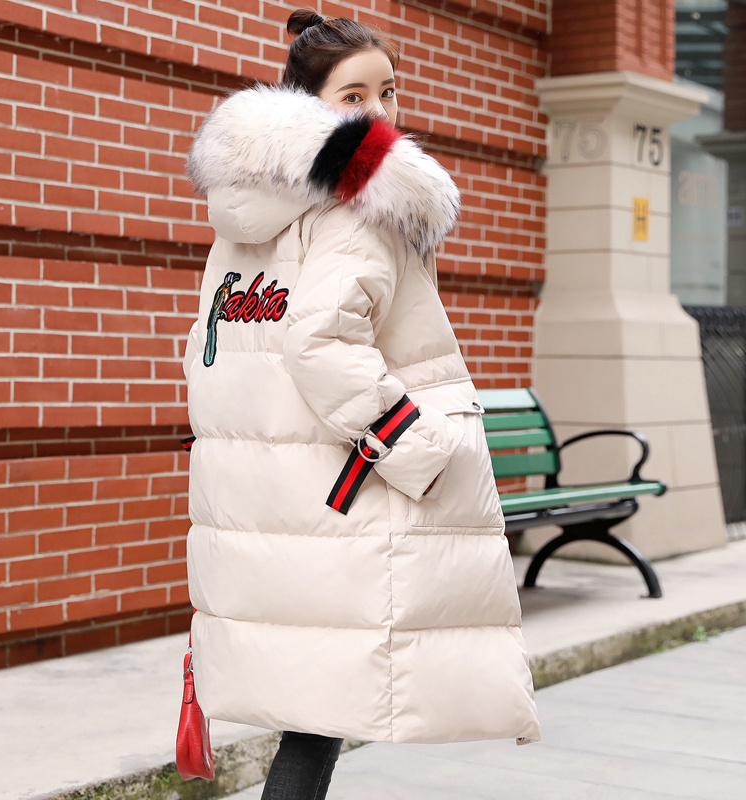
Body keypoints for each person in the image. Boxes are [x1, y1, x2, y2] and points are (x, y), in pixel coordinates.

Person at [183, 8, 540, 799]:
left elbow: (222, 353)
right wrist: (417, 449)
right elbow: (319, 346)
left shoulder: (248, 214)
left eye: (388, 91)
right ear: (307, 104)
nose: (378, 112)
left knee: (316, 706)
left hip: (274, 498)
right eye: (354, 97)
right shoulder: (359, 204)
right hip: (342, 498)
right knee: (321, 715)